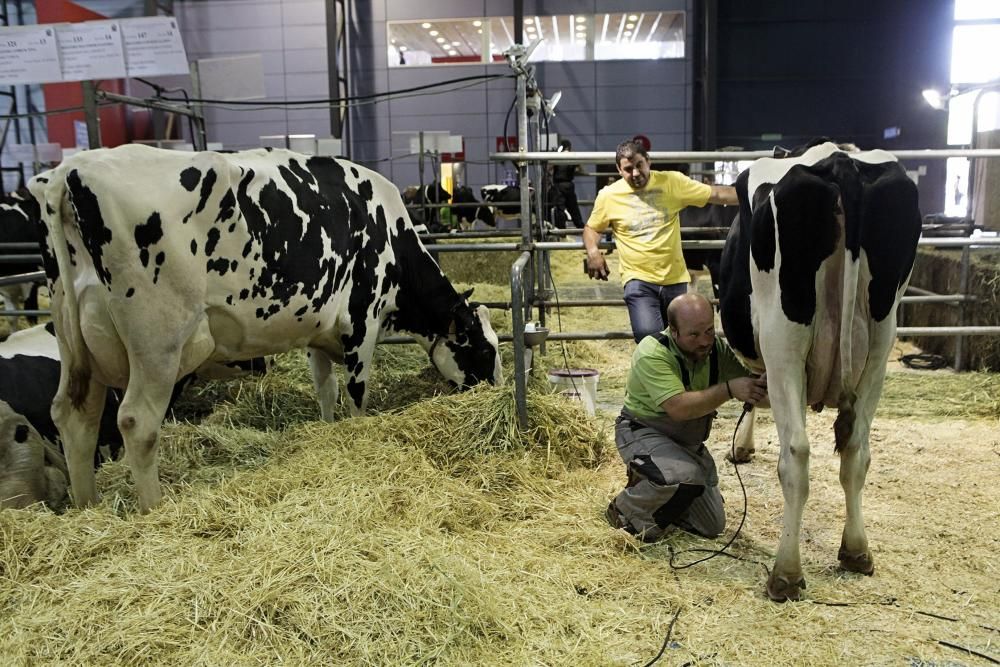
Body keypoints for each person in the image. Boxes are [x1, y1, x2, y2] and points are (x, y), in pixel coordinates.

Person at [605, 293, 768, 542]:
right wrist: (729, 389)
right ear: (674, 331)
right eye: (694, 334)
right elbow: (678, 408)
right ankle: (625, 509)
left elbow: (757, 393)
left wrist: (774, 388)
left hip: (687, 443)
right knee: (683, 476)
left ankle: (664, 495)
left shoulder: (716, 350)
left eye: (709, 331)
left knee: (712, 526)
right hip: (643, 431)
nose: (705, 341)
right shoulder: (652, 352)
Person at [584, 139, 739, 343]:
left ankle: (678, 374)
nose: (636, 173)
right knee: (650, 340)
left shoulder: (671, 182)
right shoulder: (609, 196)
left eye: (639, 165)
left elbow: (718, 194)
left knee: (683, 342)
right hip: (638, 281)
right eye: (629, 169)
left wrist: (755, 191)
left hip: (675, 280)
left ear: (648, 161)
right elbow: (592, 228)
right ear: (619, 170)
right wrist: (593, 252)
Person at [550, 139, 584, 228]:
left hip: (558, 185)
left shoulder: (557, 156)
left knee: (560, 208)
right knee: (573, 207)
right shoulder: (572, 155)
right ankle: (580, 227)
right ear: (569, 147)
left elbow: (549, 169)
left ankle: (562, 230)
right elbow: (580, 169)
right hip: (569, 185)